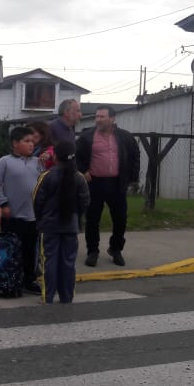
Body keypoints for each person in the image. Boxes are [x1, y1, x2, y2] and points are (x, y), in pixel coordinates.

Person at [76, 105, 140, 267]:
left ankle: (115, 249)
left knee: (120, 219)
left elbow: (134, 155)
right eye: (97, 116)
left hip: (116, 183)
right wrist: (83, 171)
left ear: (112, 118)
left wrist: (132, 178)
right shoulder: (87, 136)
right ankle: (93, 251)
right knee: (92, 219)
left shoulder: (124, 137)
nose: (98, 120)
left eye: (102, 117)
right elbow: (76, 156)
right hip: (94, 183)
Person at [34, 141, 89, 304]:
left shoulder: (47, 176)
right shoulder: (79, 177)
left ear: (55, 156)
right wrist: (76, 218)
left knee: (48, 261)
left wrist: (40, 219)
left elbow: (37, 201)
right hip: (71, 226)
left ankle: (47, 296)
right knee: (68, 262)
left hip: (49, 226)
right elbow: (85, 202)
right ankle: (67, 297)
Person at [0, 126, 43, 295]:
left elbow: (44, 182)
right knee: (12, 249)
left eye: (32, 142)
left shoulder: (37, 163)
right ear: (15, 143)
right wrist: (3, 204)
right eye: (26, 141)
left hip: (32, 215)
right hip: (12, 215)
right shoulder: (4, 162)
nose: (31, 145)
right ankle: (10, 277)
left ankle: (29, 278)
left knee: (30, 249)